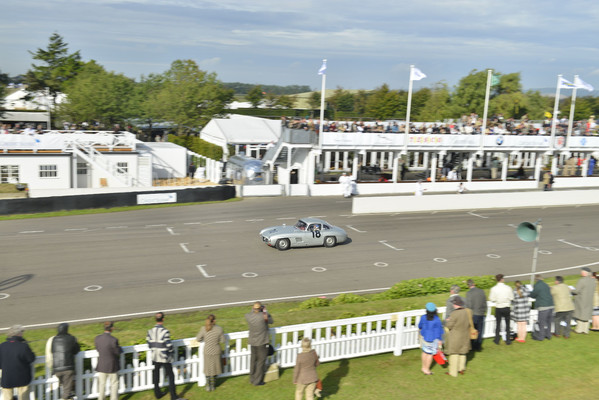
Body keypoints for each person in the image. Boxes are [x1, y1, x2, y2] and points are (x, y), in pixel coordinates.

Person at [147, 312, 183, 400]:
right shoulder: (165, 331)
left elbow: (149, 344)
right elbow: (169, 345)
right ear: (163, 319)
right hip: (164, 357)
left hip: (155, 356)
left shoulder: (150, 331)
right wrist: (171, 352)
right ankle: (173, 396)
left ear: (155, 319)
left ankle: (157, 394)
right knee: (170, 375)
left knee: (156, 374)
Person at [0, 325, 36, 400]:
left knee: (7, 397)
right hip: (22, 378)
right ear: (19, 334)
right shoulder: (23, 346)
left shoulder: (2, 346)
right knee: (24, 397)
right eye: (22, 332)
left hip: (7, 378)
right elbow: (31, 359)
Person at [48, 323, 81, 400]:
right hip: (68, 368)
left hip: (57, 369)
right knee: (67, 391)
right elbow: (76, 350)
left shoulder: (54, 339)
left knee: (66, 388)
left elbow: (52, 351)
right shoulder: (71, 338)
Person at [245, 301, 273, 386]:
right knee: (261, 362)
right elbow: (271, 321)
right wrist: (265, 311)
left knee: (253, 361)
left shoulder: (248, 316)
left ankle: (252, 378)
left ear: (253, 308)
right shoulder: (263, 316)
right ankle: (257, 381)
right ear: (260, 308)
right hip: (262, 342)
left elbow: (251, 312)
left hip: (252, 342)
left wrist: (256, 309)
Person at [196, 314, 225, 392]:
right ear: (214, 321)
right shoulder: (219, 329)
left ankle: (208, 385)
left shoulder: (204, 328)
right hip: (216, 351)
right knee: (215, 368)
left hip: (207, 351)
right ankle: (213, 385)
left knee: (207, 368)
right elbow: (223, 340)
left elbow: (198, 339)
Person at [94, 321, 122, 400]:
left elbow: (97, 349)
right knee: (114, 383)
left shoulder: (97, 338)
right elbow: (117, 352)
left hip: (102, 364)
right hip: (112, 365)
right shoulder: (113, 340)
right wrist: (120, 348)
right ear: (112, 328)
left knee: (102, 384)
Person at [445, 297, 471, 377]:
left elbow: (449, 326)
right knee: (462, 352)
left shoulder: (454, 313)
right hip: (465, 335)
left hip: (456, 336)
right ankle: (461, 369)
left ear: (456, 304)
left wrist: (448, 321)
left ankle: (453, 373)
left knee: (454, 354)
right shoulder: (468, 311)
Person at [417, 302, 444, 375]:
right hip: (433, 339)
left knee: (424, 352)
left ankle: (423, 367)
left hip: (424, 337)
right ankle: (427, 369)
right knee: (430, 354)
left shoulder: (423, 317)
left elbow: (419, 326)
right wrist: (440, 339)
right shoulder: (437, 319)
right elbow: (439, 330)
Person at [489, 274, 514, 345]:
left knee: (498, 324)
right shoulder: (508, 288)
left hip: (499, 307)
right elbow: (511, 297)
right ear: (502, 279)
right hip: (506, 306)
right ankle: (508, 340)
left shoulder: (494, 289)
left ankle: (497, 339)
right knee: (507, 324)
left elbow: (492, 299)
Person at [572, 267, 597, 334]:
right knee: (586, 315)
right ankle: (585, 330)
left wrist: (571, 290)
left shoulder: (581, 280)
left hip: (581, 300)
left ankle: (579, 329)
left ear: (584, 273)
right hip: (589, 300)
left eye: (582, 272)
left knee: (580, 315)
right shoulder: (593, 281)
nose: (581, 273)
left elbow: (576, 291)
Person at [529, 275, 554, 340]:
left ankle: (541, 336)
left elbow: (533, 295)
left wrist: (529, 293)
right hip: (551, 305)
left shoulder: (537, 285)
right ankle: (548, 335)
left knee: (541, 322)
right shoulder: (546, 284)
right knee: (549, 322)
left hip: (543, 306)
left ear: (536, 279)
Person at [465, 279, 487, 351]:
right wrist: (484, 311)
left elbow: (469, 305)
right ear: (474, 284)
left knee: (473, 330)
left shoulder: (469, 293)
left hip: (473, 314)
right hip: (481, 313)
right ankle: (478, 345)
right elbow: (484, 303)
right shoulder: (481, 291)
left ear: (468, 285)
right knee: (480, 330)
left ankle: (472, 345)